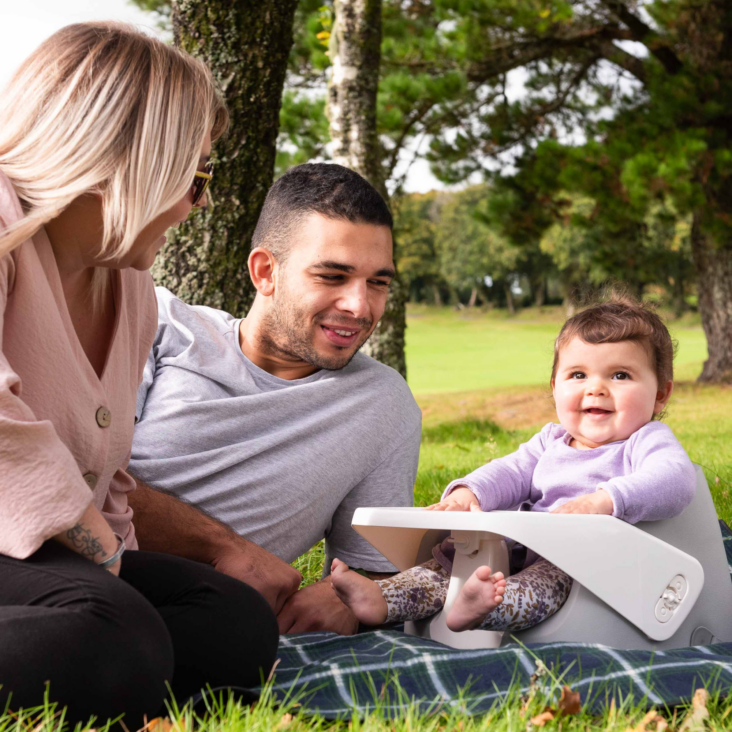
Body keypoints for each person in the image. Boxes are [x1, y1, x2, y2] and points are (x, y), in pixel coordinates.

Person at [0, 23, 278, 726]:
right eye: (196, 176)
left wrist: (113, 558)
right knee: (114, 638)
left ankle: (111, 662)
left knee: (233, 622)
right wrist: (104, 561)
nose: (202, 202)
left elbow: (106, 467)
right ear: (129, 159)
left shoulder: (126, 289)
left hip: (34, 560)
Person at [129, 163, 422, 635]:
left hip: (199, 614)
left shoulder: (384, 405)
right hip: (61, 562)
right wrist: (227, 549)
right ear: (266, 271)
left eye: (378, 283)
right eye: (332, 276)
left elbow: (373, 569)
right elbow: (83, 478)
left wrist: (345, 594)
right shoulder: (157, 324)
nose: (360, 307)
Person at [331, 297, 697, 632]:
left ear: (660, 394)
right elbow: (508, 472)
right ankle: (383, 598)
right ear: (555, 386)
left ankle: (484, 610)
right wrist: (467, 492)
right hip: (521, 546)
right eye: (578, 375)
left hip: (584, 564)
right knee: (448, 563)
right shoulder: (550, 440)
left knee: (540, 587)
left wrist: (605, 501)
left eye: (620, 375)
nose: (596, 388)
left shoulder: (644, 441)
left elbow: (674, 480)